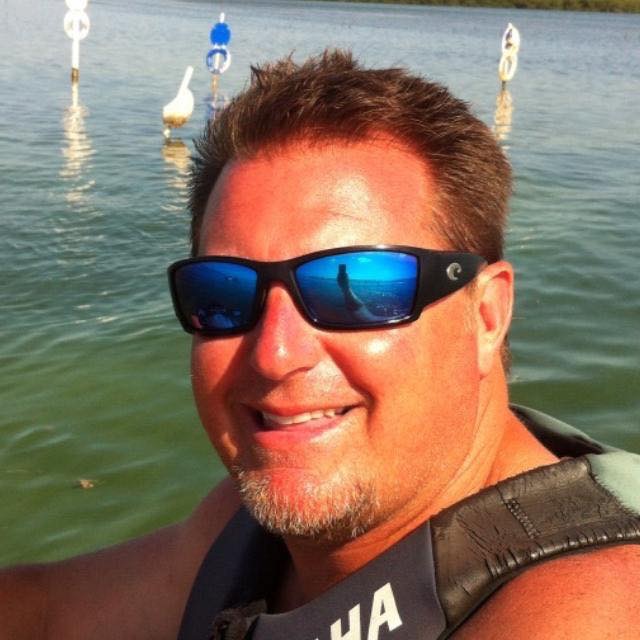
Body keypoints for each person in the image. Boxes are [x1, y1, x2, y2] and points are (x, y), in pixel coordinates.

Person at [2, 50, 640, 640]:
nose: (275, 354)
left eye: (357, 289)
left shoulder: (587, 606)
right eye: (224, 293)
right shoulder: (240, 537)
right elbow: (45, 611)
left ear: (488, 314)